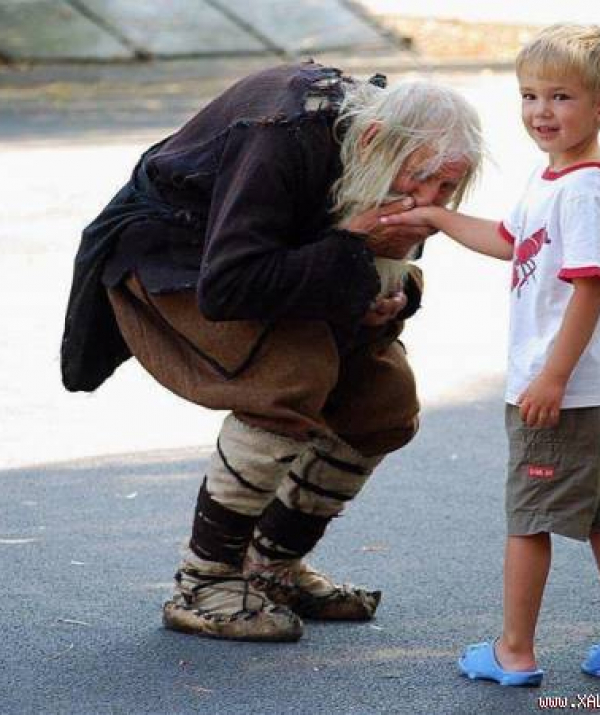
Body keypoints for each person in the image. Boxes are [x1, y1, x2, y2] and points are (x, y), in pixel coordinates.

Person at [61, 62, 482, 642]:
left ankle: (272, 568)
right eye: (422, 180)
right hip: (176, 256)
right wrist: (353, 255)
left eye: (446, 189)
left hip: (277, 263)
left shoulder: (381, 147)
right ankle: (203, 584)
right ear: (372, 142)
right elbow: (231, 284)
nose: (428, 204)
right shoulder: (282, 132)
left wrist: (391, 291)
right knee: (291, 374)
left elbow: (368, 256)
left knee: (383, 401)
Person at [384, 24, 600, 684]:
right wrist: (439, 220)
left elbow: (591, 287)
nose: (541, 111)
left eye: (561, 96)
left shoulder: (585, 189)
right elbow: (512, 240)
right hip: (581, 390)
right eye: (530, 95)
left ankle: (515, 650)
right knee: (596, 517)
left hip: (563, 392)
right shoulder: (553, 177)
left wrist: (552, 376)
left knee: (528, 520)